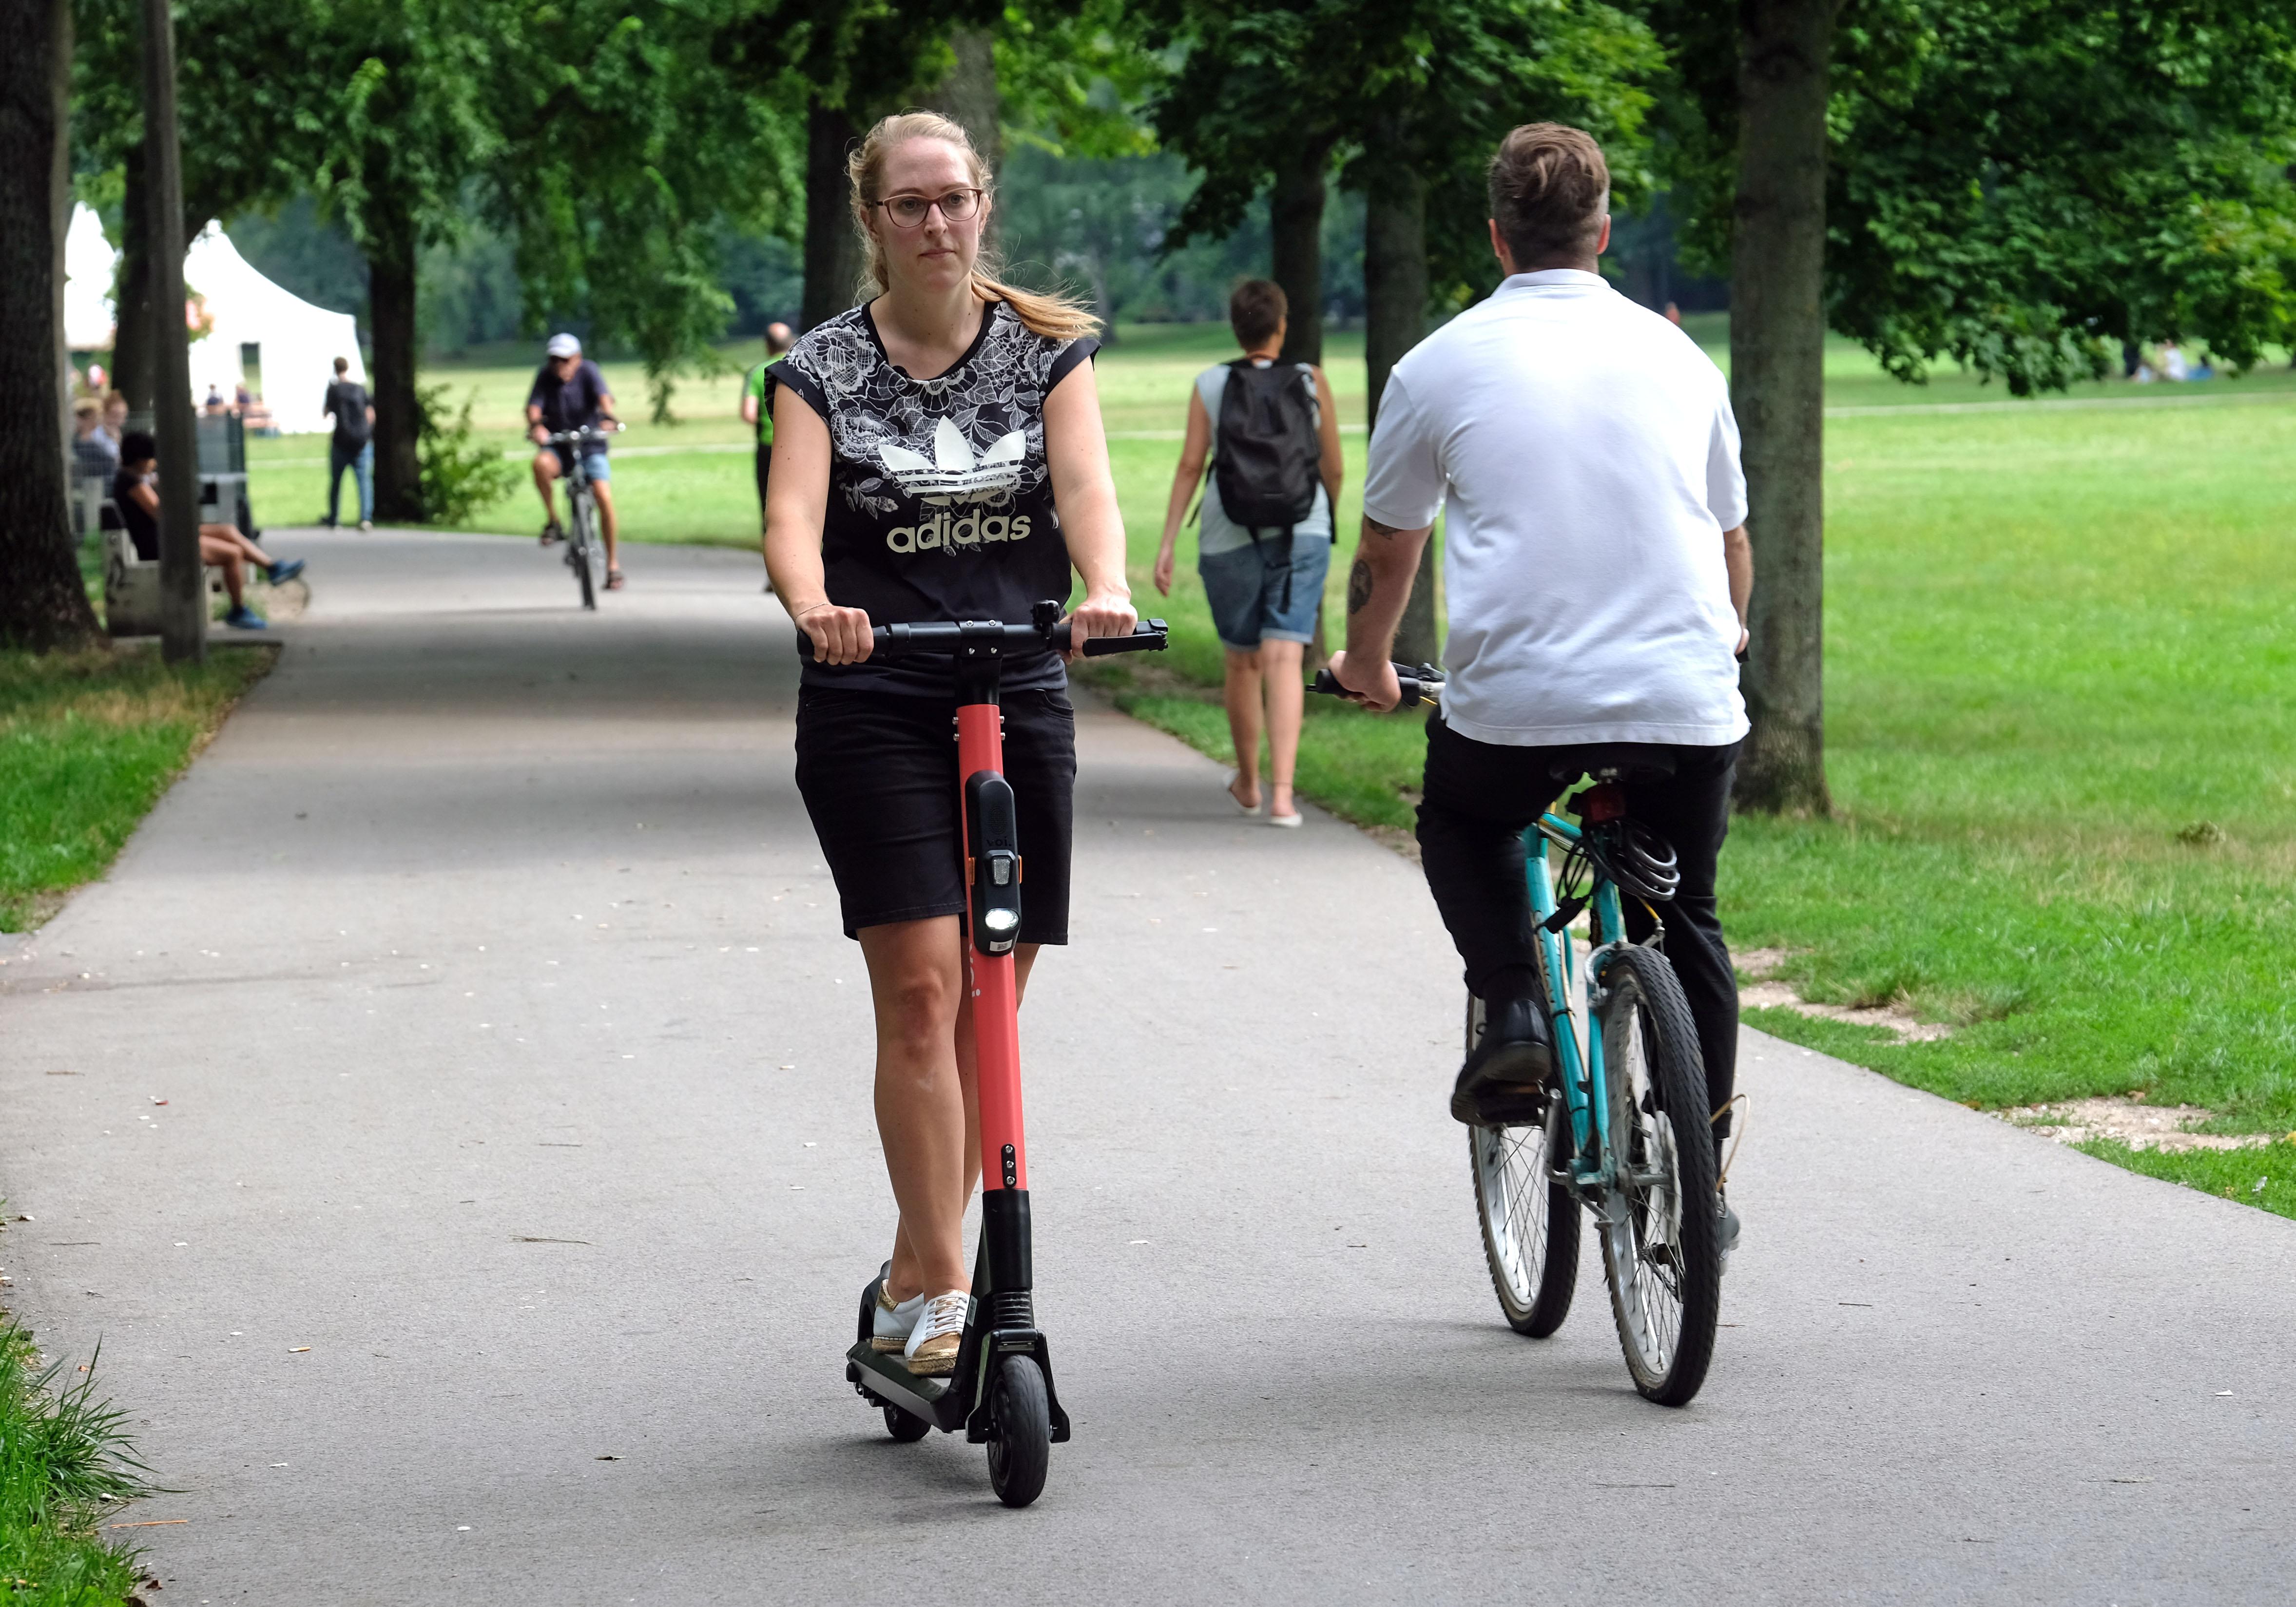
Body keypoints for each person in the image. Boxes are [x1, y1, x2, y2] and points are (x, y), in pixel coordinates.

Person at [1329, 123, 1754, 1255]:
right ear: (1604, 233)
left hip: (1517, 702)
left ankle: (1513, 1001)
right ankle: (1700, 1167)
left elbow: (1390, 545)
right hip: (1686, 693)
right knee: (1688, 912)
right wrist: (1728, 643)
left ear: (1495, 237)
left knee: (1463, 820)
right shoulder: (1680, 356)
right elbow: (1730, 541)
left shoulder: (1439, 363)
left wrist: (1367, 659)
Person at [763, 111, 1135, 1376]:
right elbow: (794, 515)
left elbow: (1083, 487)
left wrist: (1105, 586)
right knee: (922, 991)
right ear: (872, 221)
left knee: (994, 1000)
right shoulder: (819, 366)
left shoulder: (1046, 350)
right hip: (877, 697)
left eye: (953, 199)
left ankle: (913, 1263)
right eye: (908, 204)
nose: (935, 222)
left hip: (1014, 684)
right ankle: (943, 1297)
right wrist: (813, 606)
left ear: (984, 206)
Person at [1153, 280, 1343, 828]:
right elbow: (1332, 465)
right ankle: (1284, 797)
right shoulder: (1312, 380)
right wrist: (1323, 513)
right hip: (1302, 527)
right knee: (1285, 657)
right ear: (1281, 327)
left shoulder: (1211, 383)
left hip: (1227, 531)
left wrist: (1167, 541)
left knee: (1243, 659)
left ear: (1236, 329)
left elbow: (1191, 465)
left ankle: (1249, 784)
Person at [113, 430, 306, 631]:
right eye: (152, 459)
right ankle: (238, 610)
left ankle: (273, 568)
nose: (155, 464)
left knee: (227, 531)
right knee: (232, 554)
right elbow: (161, 515)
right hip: (161, 545)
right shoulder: (132, 483)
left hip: (168, 537)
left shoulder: (133, 479)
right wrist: (169, 489)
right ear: (140, 459)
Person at [527, 334, 624, 588]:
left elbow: (604, 398)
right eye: (554, 359)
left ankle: (613, 566)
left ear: (578, 358)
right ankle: (554, 521)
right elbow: (534, 407)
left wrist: (608, 417)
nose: (560, 365)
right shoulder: (545, 376)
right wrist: (536, 426)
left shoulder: (589, 371)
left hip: (590, 444)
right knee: (540, 465)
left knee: (603, 495)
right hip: (559, 444)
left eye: (565, 359)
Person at [742, 321, 794, 592]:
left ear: (767, 344)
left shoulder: (758, 372)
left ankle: (776, 577)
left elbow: (748, 414)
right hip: (801, 448)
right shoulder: (800, 369)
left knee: (771, 510)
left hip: (768, 448)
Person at [321, 357, 375, 531]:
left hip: (341, 441)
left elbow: (326, 412)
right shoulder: (359, 389)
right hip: (361, 442)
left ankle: (335, 518)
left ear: (335, 369)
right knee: (364, 482)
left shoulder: (334, 390)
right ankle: (365, 518)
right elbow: (370, 414)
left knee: (336, 482)